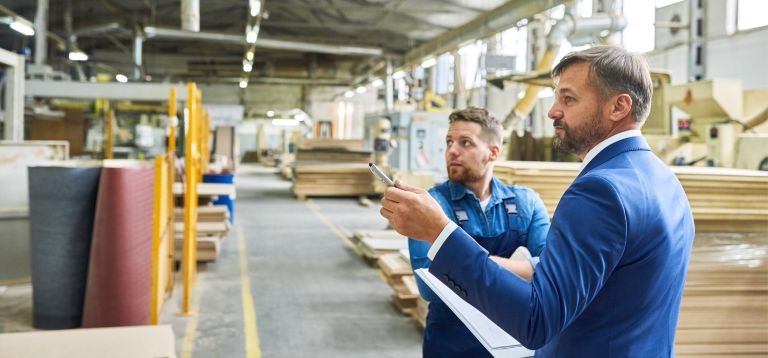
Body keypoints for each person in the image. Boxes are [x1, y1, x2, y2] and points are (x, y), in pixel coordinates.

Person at [381, 45, 695, 357]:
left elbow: (537, 321)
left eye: (568, 99)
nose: (552, 111)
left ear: (618, 107)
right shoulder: (666, 182)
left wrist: (440, 232)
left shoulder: (600, 191)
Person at [408, 107, 551, 357]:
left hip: (515, 344)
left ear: (493, 152)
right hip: (452, 345)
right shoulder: (431, 206)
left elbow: (550, 269)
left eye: (466, 143)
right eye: (449, 142)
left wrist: (477, 265)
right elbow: (429, 286)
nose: (452, 150)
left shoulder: (526, 203)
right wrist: (519, 270)